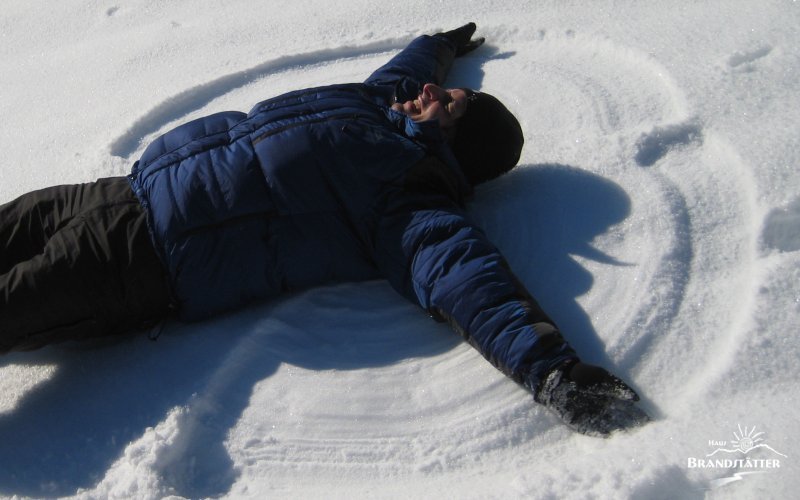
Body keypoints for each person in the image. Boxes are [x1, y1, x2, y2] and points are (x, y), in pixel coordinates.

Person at [0, 23, 649, 436]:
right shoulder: (382, 103)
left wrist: (554, 373)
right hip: (117, 193)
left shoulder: (411, 199)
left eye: (445, 102)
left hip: (141, 261)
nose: (428, 91)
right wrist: (442, 45)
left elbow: (470, 281)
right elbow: (411, 67)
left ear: (453, 139)